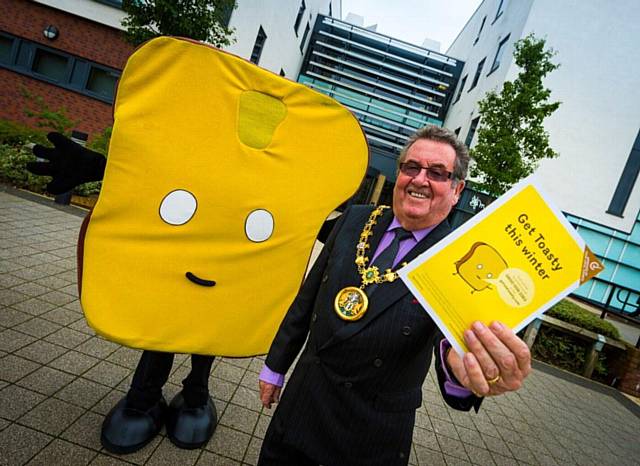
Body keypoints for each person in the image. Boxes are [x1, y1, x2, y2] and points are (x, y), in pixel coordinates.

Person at [257, 125, 532, 466]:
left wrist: (462, 368)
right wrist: (275, 366)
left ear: (457, 189)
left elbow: (450, 343)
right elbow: (308, 298)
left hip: (369, 434)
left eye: (437, 173)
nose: (420, 179)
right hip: (302, 404)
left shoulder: (457, 259)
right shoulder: (356, 219)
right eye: (411, 167)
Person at [27, 134, 217, 453]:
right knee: (165, 315)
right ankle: (144, 394)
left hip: (226, 246)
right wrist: (105, 167)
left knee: (215, 315)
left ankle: (196, 393)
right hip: (177, 235)